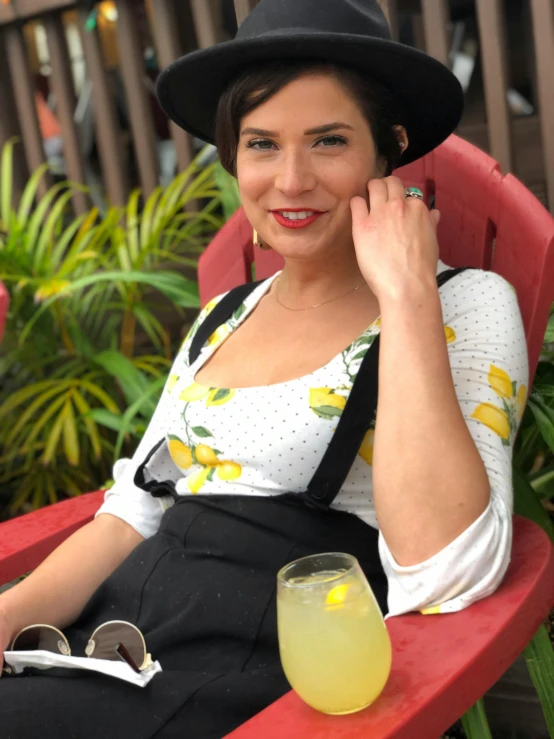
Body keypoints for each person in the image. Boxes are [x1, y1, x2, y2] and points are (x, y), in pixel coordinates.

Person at [0, 1, 527, 736]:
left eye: (328, 141)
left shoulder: (462, 304)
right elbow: (133, 513)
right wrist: (9, 616)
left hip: (250, 673)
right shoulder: (223, 317)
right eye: (261, 145)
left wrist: (403, 294)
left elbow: (448, 568)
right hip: (111, 647)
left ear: (390, 147)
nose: (290, 179)